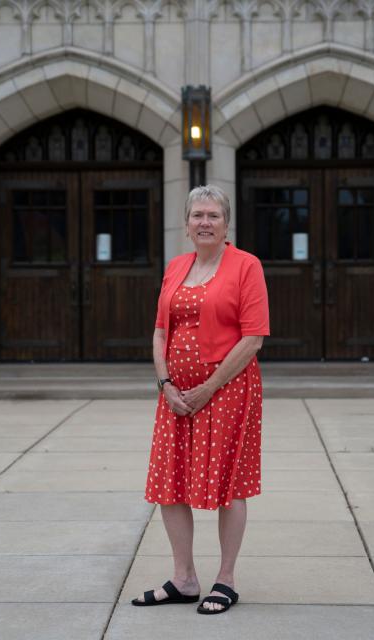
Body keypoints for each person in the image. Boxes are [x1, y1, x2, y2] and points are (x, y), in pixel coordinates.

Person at [131, 184, 269, 615]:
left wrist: (207, 388)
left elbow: (253, 338)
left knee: (228, 485)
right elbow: (159, 330)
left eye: (213, 215)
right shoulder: (176, 267)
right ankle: (184, 578)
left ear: (227, 223)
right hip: (175, 397)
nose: (205, 222)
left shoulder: (246, 266)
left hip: (227, 392)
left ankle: (225, 579)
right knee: (169, 484)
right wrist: (166, 384)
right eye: (197, 216)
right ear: (186, 225)